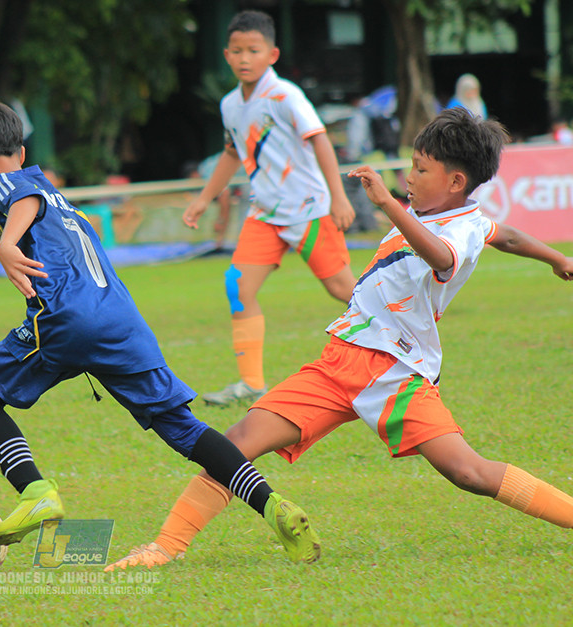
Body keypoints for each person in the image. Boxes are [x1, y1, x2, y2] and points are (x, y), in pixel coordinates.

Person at [105, 107, 573, 571]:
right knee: (237, 441)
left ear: (455, 182)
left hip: (395, 373)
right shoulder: (455, 215)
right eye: (412, 164)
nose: (410, 176)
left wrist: (388, 204)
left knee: (468, 471)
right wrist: (556, 258)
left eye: (421, 169)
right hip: (339, 361)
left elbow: (440, 257)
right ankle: (165, 547)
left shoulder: (461, 228)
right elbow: (507, 235)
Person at [0, 99, 321, 562]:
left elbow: (20, 197)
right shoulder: (51, 191)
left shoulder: (9, 182)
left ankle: (36, 492)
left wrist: (5, 243)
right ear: (22, 150)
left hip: (68, 320)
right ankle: (272, 505)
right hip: (121, 323)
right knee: (182, 428)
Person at [183, 10, 357, 407]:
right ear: (227, 54)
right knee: (238, 287)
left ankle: (401, 347)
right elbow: (231, 153)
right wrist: (203, 199)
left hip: (309, 210)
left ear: (272, 54)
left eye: (254, 50)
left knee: (344, 290)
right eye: (238, 51)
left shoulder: (285, 96)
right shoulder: (230, 104)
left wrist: (339, 197)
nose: (245, 58)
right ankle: (251, 384)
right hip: (264, 213)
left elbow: (321, 141)